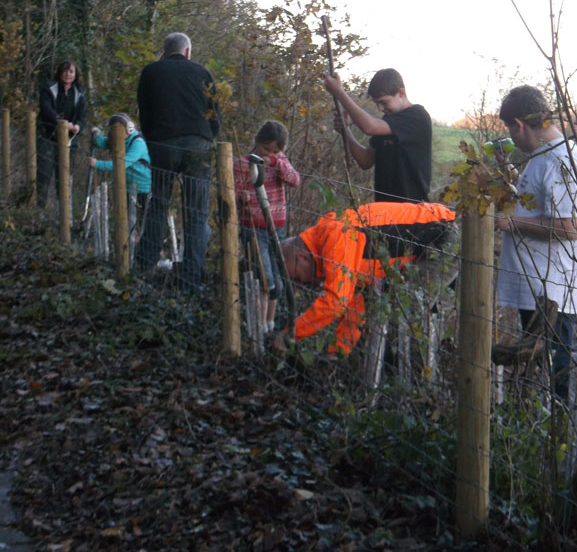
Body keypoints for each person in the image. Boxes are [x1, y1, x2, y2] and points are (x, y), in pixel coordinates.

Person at [493, 85, 577, 401]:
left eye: (511, 128)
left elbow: (570, 227)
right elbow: (537, 202)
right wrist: (506, 170)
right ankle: (537, 430)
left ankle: (556, 433)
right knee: (537, 366)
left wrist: (510, 223)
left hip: (553, 290)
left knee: (555, 370)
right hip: (540, 286)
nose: (512, 135)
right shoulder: (545, 156)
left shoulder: (562, 161)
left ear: (519, 125)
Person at [272, 201, 455, 357]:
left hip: (442, 236)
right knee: (405, 308)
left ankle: (425, 379)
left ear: (302, 258)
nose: (299, 285)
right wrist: (338, 351)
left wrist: (290, 335)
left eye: (296, 277)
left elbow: (336, 302)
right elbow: (354, 299)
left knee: (415, 307)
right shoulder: (329, 244)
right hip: (430, 239)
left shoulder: (336, 237)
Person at [134, 32, 221, 291]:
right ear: (187, 52)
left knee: (158, 203)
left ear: (165, 50)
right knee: (196, 212)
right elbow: (214, 115)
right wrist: (208, 138)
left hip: (163, 143)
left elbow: (144, 113)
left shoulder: (151, 72)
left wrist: (153, 142)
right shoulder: (203, 72)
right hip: (198, 144)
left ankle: (145, 267)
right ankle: (191, 279)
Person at [323, 68, 431, 203]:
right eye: (376, 104)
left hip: (413, 213)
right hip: (383, 212)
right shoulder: (387, 122)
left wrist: (339, 92)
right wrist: (346, 131)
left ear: (401, 93)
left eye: (383, 102)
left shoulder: (417, 116)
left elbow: (369, 127)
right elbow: (365, 161)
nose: (380, 108)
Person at [234, 120, 300, 333]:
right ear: (256, 142)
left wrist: (278, 162)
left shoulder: (280, 162)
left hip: (276, 228)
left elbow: (295, 180)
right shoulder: (241, 164)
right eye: (266, 149)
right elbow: (231, 191)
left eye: (275, 150)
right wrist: (239, 197)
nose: (269, 154)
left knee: (279, 278)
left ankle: (269, 323)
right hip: (253, 229)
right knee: (265, 278)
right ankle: (259, 325)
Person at [37, 59, 87, 208]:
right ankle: (39, 210)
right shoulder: (49, 88)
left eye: (71, 71)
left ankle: (64, 213)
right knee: (44, 174)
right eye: (65, 71)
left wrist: (78, 126)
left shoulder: (80, 93)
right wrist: (62, 123)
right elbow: (46, 110)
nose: (68, 74)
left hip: (69, 141)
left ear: (76, 74)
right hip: (48, 137)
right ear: (60, 72)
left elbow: (82, 116)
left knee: (64, 177)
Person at [89, 113, 151, 214]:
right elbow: (104, 143)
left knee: (143, 220)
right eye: (114, 130)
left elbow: (121, 164)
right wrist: (97, 134)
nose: (118, 133)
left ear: (129, 127)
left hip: (143, 188)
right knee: (126, 218)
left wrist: (98, 164)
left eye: (120, 129)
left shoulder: (138, 143)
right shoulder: (120, 139)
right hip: (127, 186)